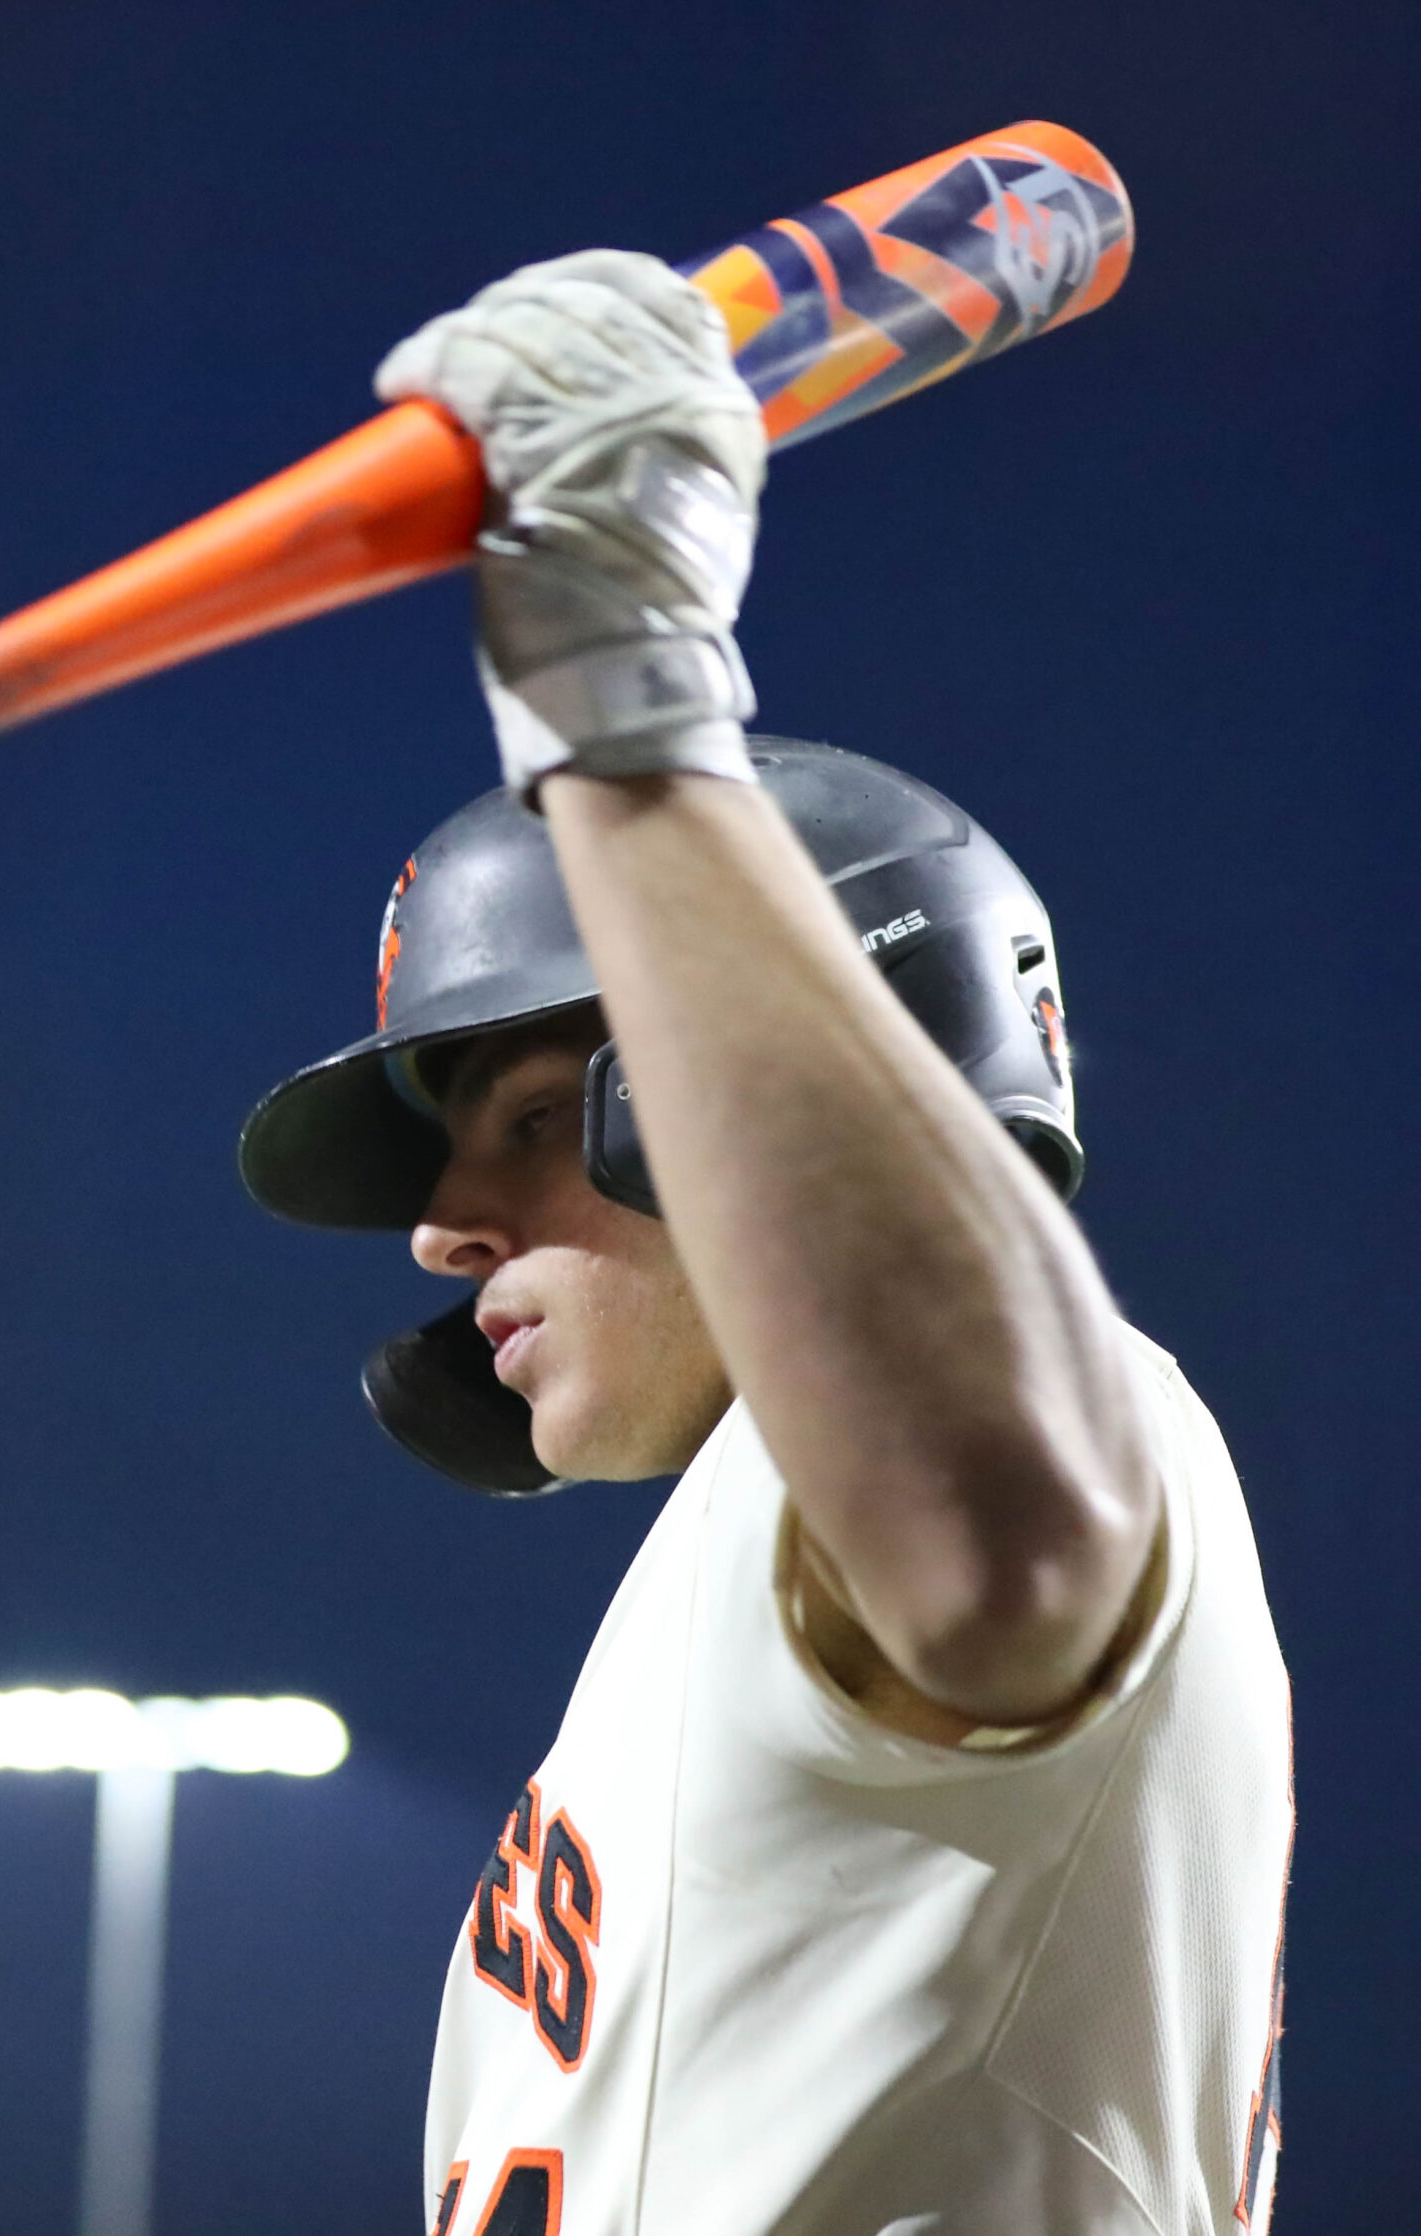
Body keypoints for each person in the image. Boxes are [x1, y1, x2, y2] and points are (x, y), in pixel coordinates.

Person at [236, 253, 1293, 2235]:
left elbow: (997, 1555)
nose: (444, 1231)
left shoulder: (1056, 1441)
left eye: (538, 1121)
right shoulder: (724, 1568)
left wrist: (619, 698)